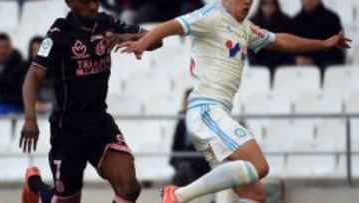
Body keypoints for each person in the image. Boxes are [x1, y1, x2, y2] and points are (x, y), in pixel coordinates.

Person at [118, 0, 351, 202]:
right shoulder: (211, 16)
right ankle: (178, 196)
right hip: (206, 110)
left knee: (255, 196)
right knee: (260, 167)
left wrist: (323, 44)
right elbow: (172, 25)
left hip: (216, 115)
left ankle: (179, 196)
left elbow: (281, 41)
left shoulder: (245, 28)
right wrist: (143, 42)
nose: (247, 3)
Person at [19, 0, 162, 203]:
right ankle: (35, 185)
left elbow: (157, 41)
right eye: (86, 2)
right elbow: (32, 76)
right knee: (66, 200)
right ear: (69, 2)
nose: (94, 6)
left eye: (96, 0)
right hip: (68, 130)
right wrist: (30, 119)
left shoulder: (106, 22)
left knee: (129, 188)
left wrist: (125, 36)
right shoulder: (60, 32)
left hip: (99, 124)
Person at [293, 0, 345, 76]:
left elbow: (336, 51)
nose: (308, 1)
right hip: (300, 66)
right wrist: (297, 60)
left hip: (325, 64)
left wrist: (313, 61)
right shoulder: (295, 21)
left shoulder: (332, 19)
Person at [170, 89, 210, 186]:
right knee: (183, 164)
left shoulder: (204, 118)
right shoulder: (181, 119)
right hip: (184, 156)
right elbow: (176, 145)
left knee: (186, 166)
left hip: (198, 156)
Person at [249, 0, 294, 79]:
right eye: (265, 3)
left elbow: (290, 46)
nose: (268, 6)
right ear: (261, 5)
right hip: (260, 66)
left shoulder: (286, 21)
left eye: (271, 3)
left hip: (282, 66)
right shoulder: (253, 23)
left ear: (276, 4)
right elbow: (251, 50)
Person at [25, 36, 55, 114]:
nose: (36, 53)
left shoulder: (57, 70)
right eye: (34, 50)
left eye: (39, 49)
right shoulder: (25, 72)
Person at [0, 33, 26, 114]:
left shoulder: (21, 67)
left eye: (5, 47)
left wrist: (1, 98)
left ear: (11, 48)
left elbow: (22, 95)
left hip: (14, 106)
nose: (2, 51)